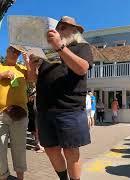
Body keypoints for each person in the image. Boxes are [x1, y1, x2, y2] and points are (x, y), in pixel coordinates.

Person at [34, 16, 93, 180]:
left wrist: (59, 46)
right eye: (58, 27)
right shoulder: (48, 53)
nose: (59, 30)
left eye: (63, 27)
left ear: (74, 31)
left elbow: (82, 69)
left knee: (70, 151)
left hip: (69, 109)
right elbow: (33, 79)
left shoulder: (82, 47)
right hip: (45, 110)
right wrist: (32, 66)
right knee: (51, 149)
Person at [0, 45, 36, 180]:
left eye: (17, 52)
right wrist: (1, 75)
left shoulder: (22, 68)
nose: (15, 53)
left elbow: (32, 78)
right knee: (0, 149)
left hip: (20, 114)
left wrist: (27, 59)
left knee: (19, 149)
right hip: (1, 114)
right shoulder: (0, 66)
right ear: (6, 51)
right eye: (12, 50)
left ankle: (20, 177)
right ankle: (3, 176)